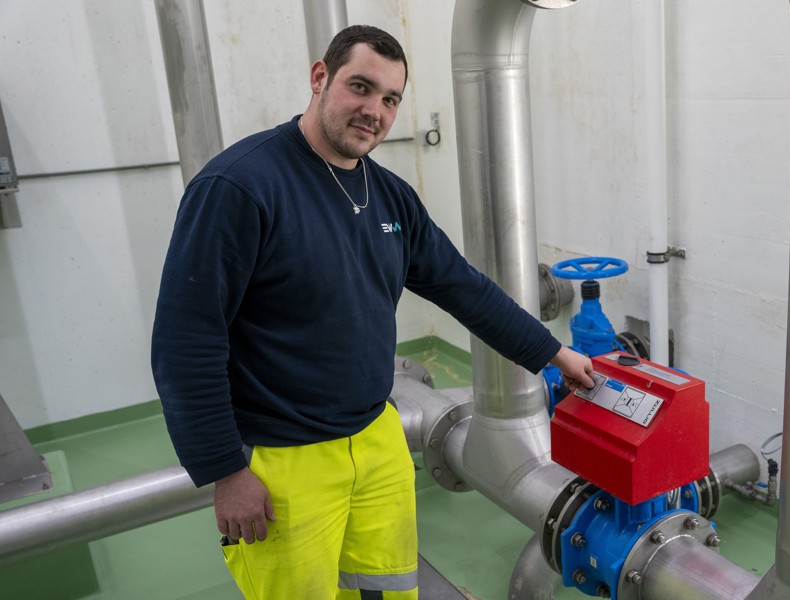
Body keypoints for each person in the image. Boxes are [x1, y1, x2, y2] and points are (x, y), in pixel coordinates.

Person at [150, 24, 594, 600]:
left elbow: (462, 287)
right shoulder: (240, 186)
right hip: (284, 459)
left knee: (389, 588)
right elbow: (186, 341)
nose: (374, 111)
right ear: (319, 78)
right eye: (360, 87)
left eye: (390, 99)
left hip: (377, 437)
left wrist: (554, 354)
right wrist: (225, 472)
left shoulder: (389, 196)